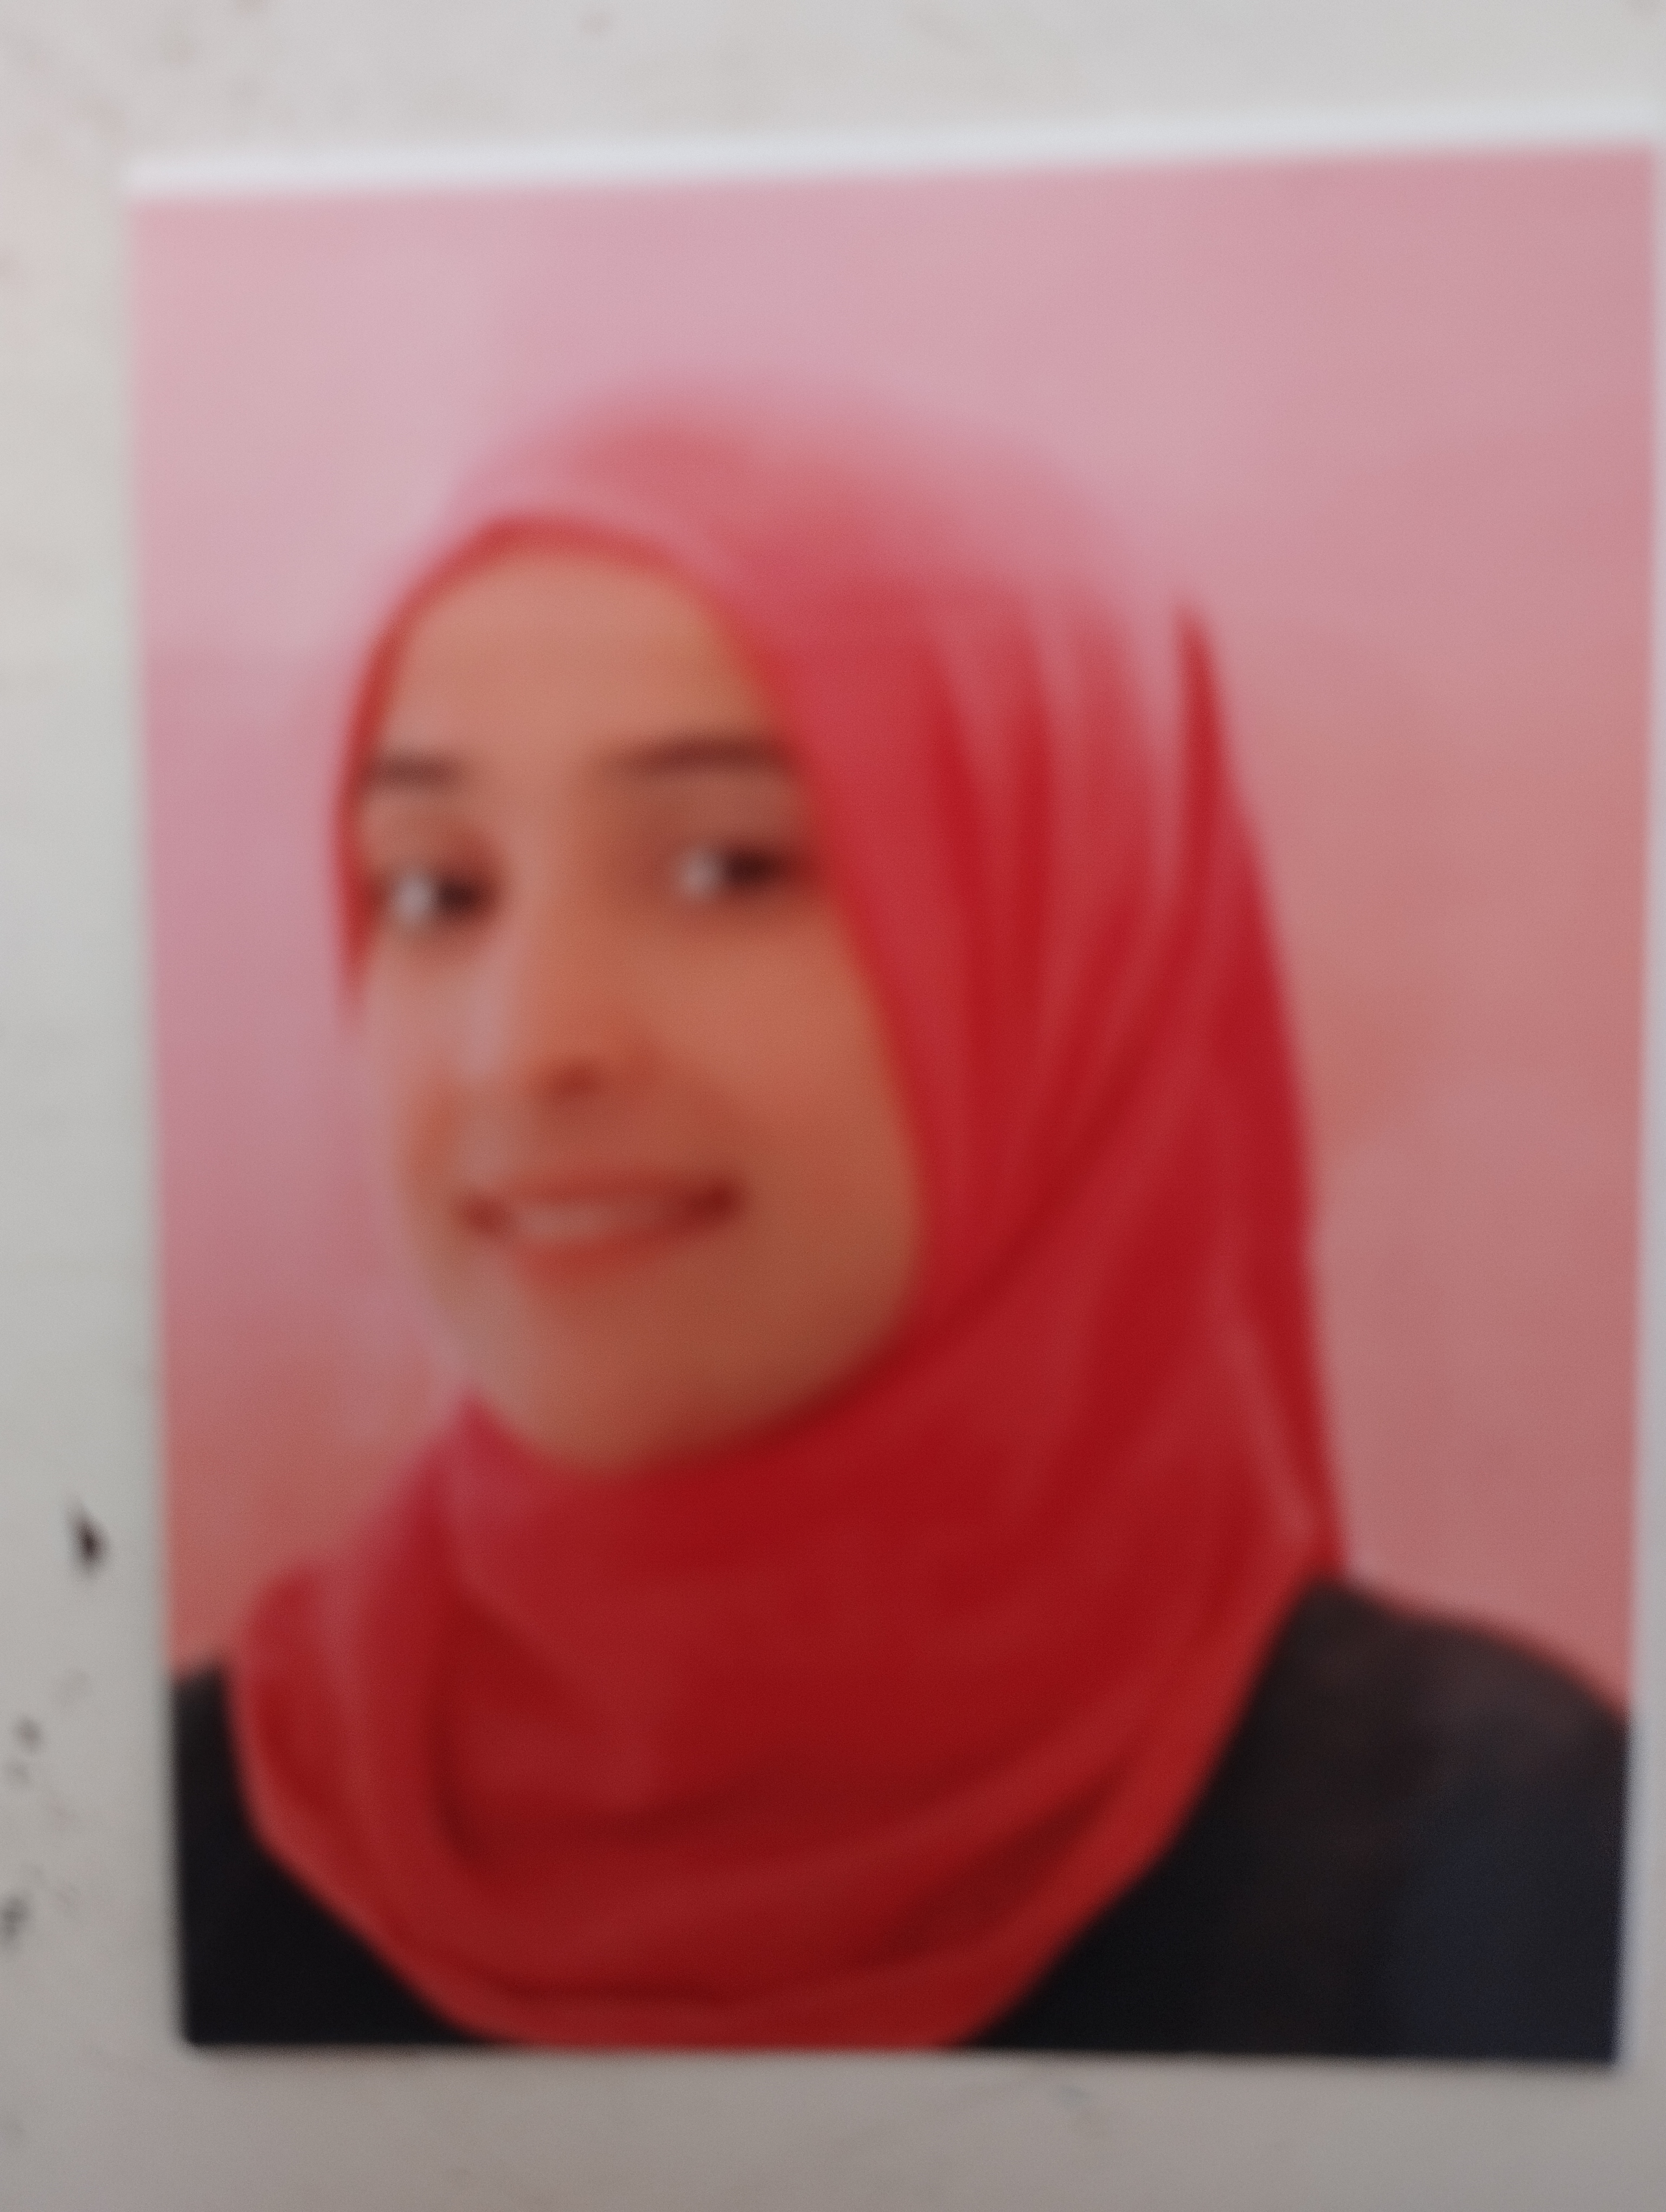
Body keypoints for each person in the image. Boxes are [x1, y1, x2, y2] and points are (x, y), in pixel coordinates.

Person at [173, 387, 1625, 2056]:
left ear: (1066, 954)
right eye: (435, 888)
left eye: (727, 869)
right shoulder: (167, 1846)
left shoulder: (1498, 1862)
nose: (525, 1044)